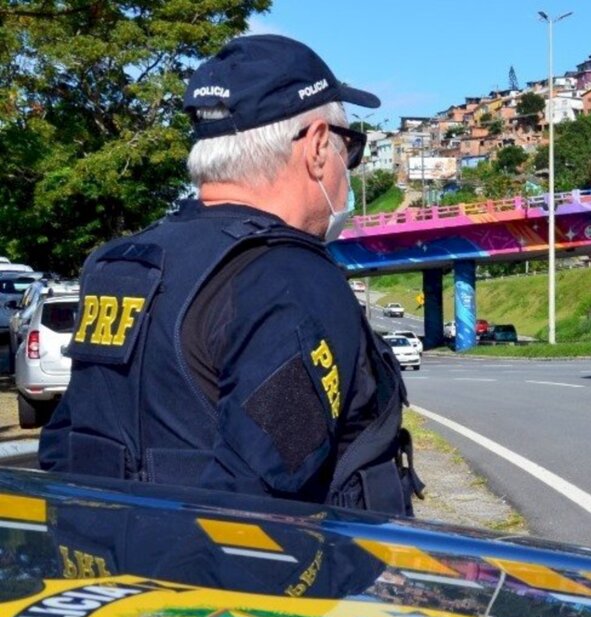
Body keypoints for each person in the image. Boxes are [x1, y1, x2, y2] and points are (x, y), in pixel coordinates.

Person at [38, 34, 421, 515]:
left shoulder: (120, 264)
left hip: (106, 571)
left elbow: (64, 447)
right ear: (319, 146)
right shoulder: (289, 280)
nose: (349, 171)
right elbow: (259, 494)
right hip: (251, 585)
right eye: (352, 149)